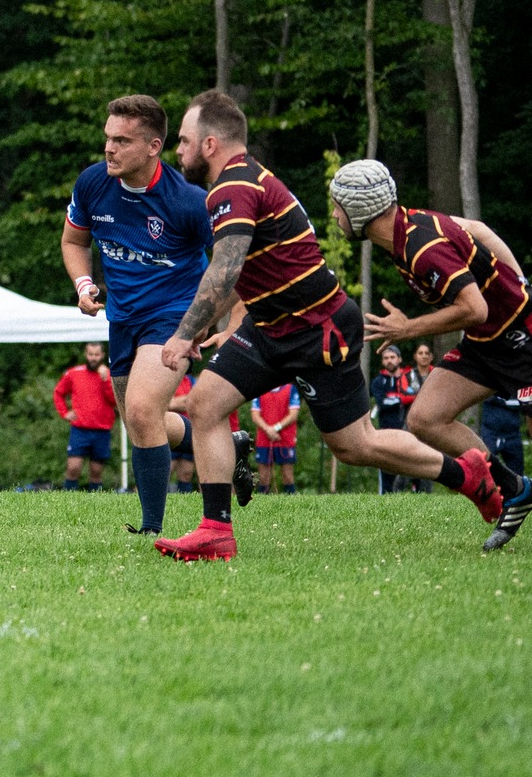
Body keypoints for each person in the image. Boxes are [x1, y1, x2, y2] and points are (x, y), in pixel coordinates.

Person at [157, 94, 499, 561]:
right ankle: (215, 530)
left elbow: (227, 267)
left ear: (210, 144)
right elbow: (253, 267)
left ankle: (468, 476)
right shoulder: (249, 179)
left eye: (183, 141)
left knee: (357, 446)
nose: (179, 150)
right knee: (205, 404)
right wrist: (202, 327)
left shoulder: (232, 188)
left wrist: (182, 334)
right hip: (271, 326)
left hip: (319, 328)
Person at [61, 93, 241, 535]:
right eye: (107, 138)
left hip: (174, 316)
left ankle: (149, 529)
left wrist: (215, 324)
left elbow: (231, 270)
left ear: (153, 147)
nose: (109, 149)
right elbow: (74, 242)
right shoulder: (92, 184)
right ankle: (230, 444)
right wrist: (84, 286)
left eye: (121, 141)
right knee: (142, 421)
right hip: (122, 318)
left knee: (141, 411)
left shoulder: (188, 202)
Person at [329, 158, 532, 549]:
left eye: (339, 205)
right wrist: (519, 279)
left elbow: (476, 308)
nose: (335, 214)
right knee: (424, 419)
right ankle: (515, 489)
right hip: (485, 343)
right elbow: (478, 229)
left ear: (360, 210)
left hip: (521, 337)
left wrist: (408, 328)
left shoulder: (422, 247)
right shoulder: (406, 227)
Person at [54, 341, 117, 491]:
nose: (93, 358)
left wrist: (106, 381)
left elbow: (115, 400)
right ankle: (68, 500)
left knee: (96, 471)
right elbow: (58, 393)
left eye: (96, 355)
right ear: (86, 354)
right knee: (73, 468)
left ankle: (95, 505)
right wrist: (64, 412)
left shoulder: (109, 375)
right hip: (80, 429)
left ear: (102, 356)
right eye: (90, 354)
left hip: (102, 429)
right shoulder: (74, 373)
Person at [368, 343, 415, 494]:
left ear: (399, 359)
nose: (389, 361)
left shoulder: (410, 378)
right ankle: (385, 498)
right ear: (382, 361)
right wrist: (402, 399)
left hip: (407, 430)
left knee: (410, 467)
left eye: (392, 357)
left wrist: (401, 399)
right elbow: (382, 403)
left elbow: (415, 397)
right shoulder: (378, 382)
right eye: (386, 358)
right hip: (385, 431)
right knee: (386, 468)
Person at [249, 384, 300, 495]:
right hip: (264, 440)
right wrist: (268, 430)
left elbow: (293, 415)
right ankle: (262, 504)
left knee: (287, 475)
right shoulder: (259, 389)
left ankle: (292, 502)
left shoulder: (290, 389)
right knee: (263, 477)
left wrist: (276, 428)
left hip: (285, 439)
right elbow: (255, 415)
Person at [482, 393, 527, 479]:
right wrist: (514, 402)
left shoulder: (517, 387)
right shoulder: (489, 385)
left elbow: (526, 402)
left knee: (517, 472)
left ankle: (516, 490)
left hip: (513, 434)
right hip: (492, 433)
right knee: (486, 466)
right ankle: (483, 490)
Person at [168, 375, 199, 492]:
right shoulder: (167, 378)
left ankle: (184, 504)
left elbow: (198, 402)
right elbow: (168, 404)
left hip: (190, 430)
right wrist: (188, 400)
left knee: (187, 473)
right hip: (171, 430)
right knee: (166, 470)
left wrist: (176, 402)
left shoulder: (191, 380)